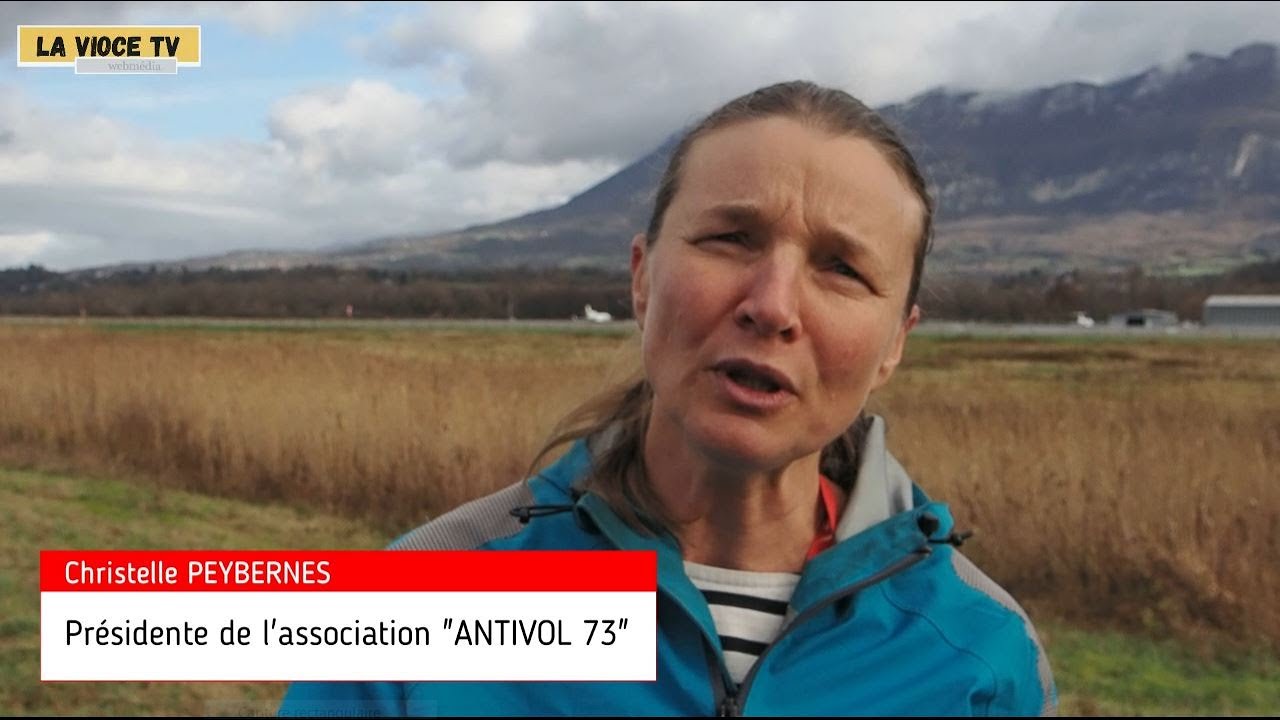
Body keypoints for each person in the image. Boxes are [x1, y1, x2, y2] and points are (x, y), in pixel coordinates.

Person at [280, 81, 1057, 716]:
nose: (773, 305)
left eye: (842, 270)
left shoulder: (978, 655)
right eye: (732, 238)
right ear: (643, 278)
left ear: (894, 342)